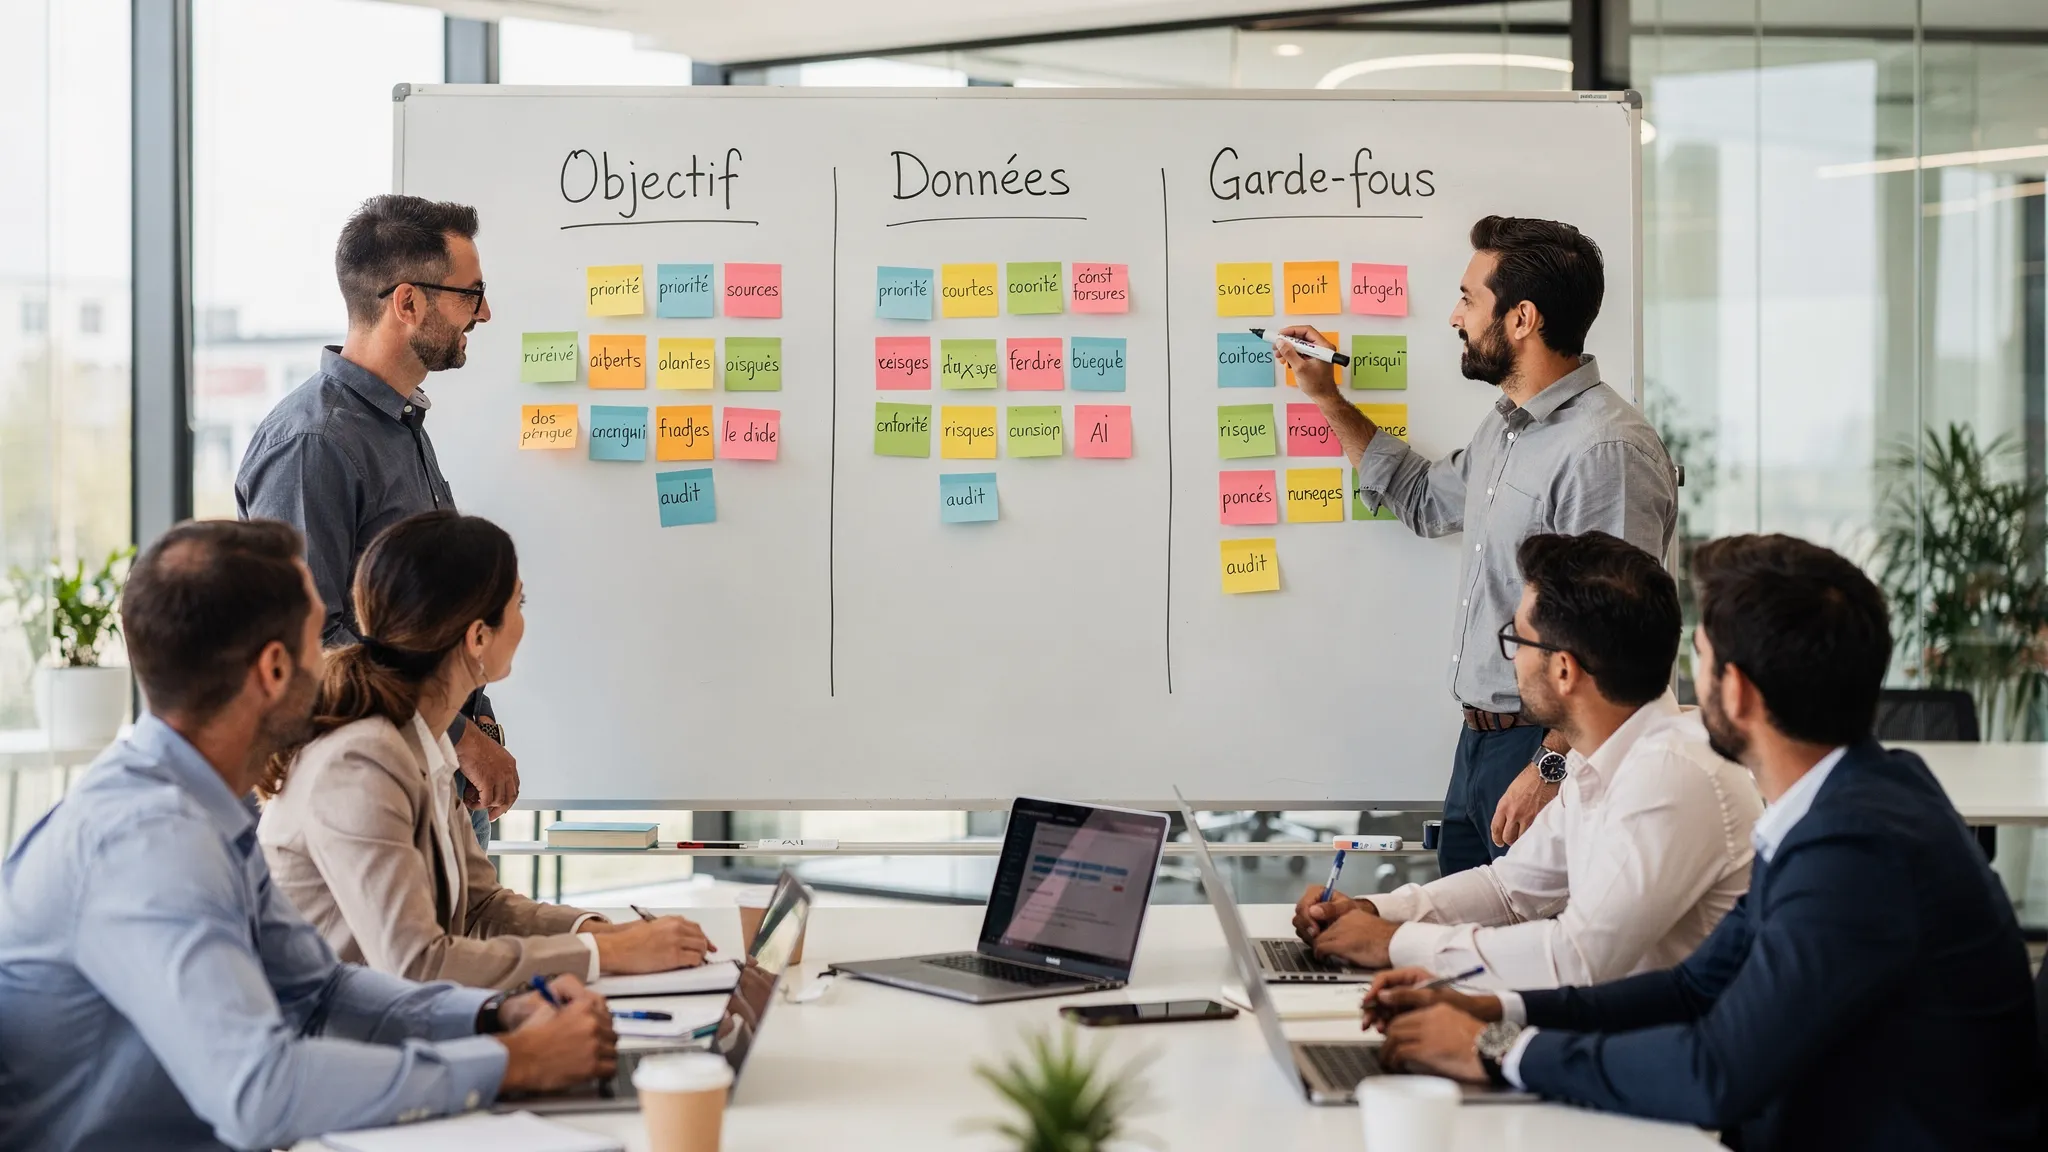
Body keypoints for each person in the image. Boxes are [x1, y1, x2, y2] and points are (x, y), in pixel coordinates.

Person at [1364, 534, 2043, 1152]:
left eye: (1701, 664)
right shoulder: (1846, 801)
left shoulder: (1855, 849)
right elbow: (1693, 988)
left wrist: (1497, 1048)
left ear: (1738, 693)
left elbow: (1717, 1071)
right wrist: (1496, 1007)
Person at [0, 520, 617, 1152]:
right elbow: (260, 1091)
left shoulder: (201, 810)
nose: (339, 659)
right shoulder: (152, 842)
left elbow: (320, 990)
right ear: (273, 670)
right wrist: (510, 1063)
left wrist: (493, 1016)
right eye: (314, 639)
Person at [1277, 216, 1677, 876]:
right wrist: (1326, 396)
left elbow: (1616, 643)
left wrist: (1552, 765)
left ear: (1521, 319)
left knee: (1530, 961)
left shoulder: (1605, 452)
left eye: (1469, 298)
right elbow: (1423, 498)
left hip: (1545, 755)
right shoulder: (1506, 429)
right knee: (1468, 952)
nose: (1454, 316)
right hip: (1480, 751)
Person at [261, 511, 714, 991]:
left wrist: (602, 932)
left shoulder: (421, 740)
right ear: (478, 637)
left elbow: (480, 905)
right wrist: (610, 953)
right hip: (340, 1044)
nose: (523, 621)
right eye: (518, 603)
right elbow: (417, 963)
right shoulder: (361, 762)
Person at [1289, 531, 1760, 989]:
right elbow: (1510, 891)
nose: (1510, 658)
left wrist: (1394, 942)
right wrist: (1372, 913)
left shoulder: (1672, 773)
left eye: (1518, 640)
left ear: (1563, 669)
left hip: (1661, 1054)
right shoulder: (1600, 759)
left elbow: (1578, 957)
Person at [236, 194, 513, 847]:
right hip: (365, 801)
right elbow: (316, 642)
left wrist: (473, 727)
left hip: (431, 774)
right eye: (472, 294)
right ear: (408, 303)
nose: (486, 312)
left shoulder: (400, 426)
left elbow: (428, 620)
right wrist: (456, 735)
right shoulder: (314, 445)